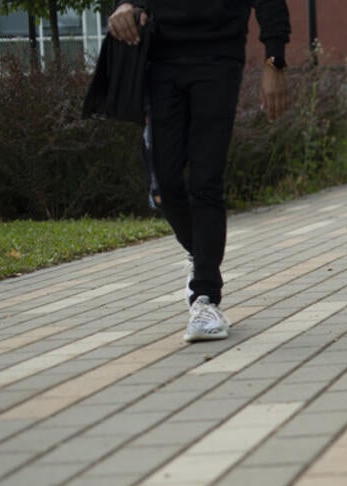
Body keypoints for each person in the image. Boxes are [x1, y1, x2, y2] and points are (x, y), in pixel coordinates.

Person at [108, 0, 292, 340]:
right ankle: (201, 251)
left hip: (218, 59)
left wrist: (274, 60)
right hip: (161, 59)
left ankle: (205, 297)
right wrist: (125, 6)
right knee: (164, 185)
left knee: (206, 179)